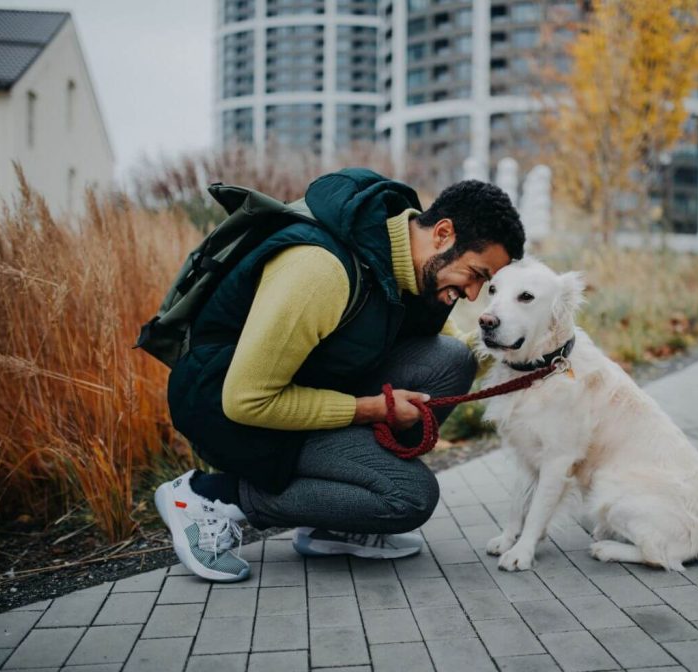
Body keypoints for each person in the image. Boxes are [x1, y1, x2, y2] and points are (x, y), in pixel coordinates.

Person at [155, 169, 525, 582]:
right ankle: (209, 497)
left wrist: (539, 354)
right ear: (442, 234)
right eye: (476, 274)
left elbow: (457, 349)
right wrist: (371, 409)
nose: (474, 294)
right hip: (228, 411)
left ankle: (331, 524)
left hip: (305, 388)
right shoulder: (321, 271)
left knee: (452, 359)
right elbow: (247, 400)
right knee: (409, 497)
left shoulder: (405, 260)